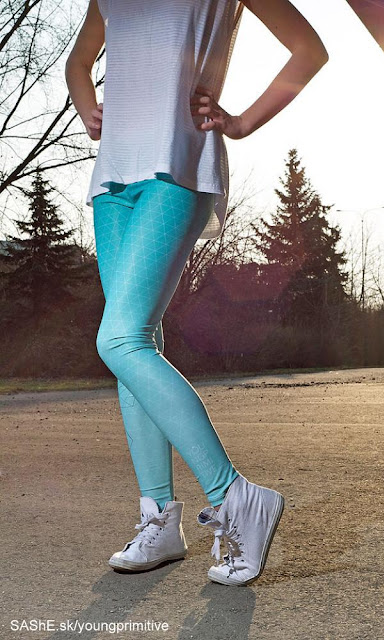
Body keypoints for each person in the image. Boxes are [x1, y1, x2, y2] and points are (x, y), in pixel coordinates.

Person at [65, 0, 328, 587]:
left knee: (121, 340)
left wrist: (242, 122)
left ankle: (235, 496)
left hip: (178, 163)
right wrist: (87, 107)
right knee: (135, 346)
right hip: (113, 178)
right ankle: (159, 520)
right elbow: (78, 62)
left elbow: (309, 50)